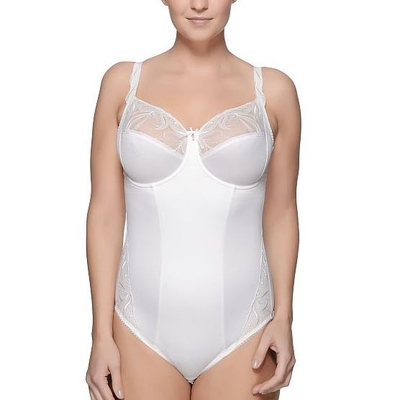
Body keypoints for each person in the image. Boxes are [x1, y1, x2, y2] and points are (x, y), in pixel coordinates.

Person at [85, 0, 301, 399]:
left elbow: (282, 214)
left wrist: (284, 319)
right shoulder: (122, 84)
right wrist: (100, 334)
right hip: (137, 332)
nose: (199, 4)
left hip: (246, 335)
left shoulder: (274, 91)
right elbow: (105, 215)